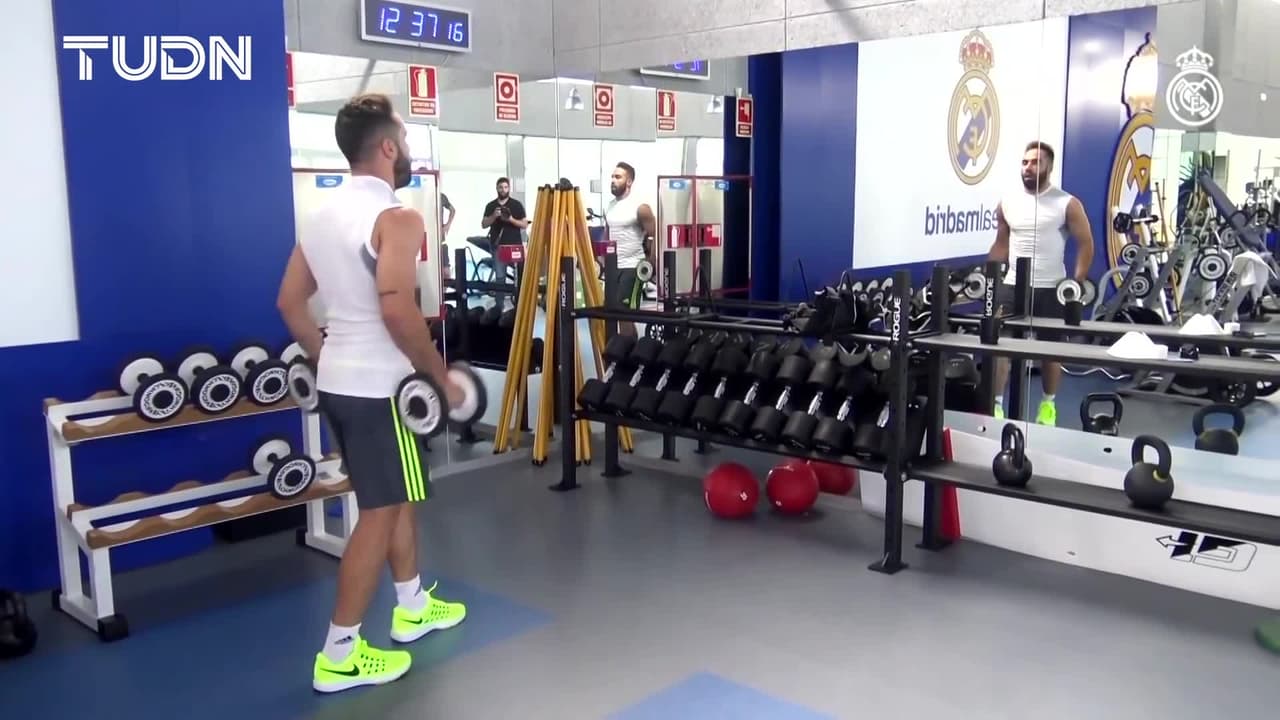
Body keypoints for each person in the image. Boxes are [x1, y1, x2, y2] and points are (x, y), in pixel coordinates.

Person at [275, 93, 468, 694]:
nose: (406, 150)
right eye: (404, 140)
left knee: (394, 493)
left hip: (341, 383)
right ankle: (340, 653)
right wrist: (439, 376)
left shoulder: (321, 217)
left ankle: (411, 606)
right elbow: (397, 308)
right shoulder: (398, 218)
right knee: (379, 512)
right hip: (382, 390)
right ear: (387, 147)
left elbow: (289, 303)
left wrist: (329, 356)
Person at [987, 141, 1095, 426]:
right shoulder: (1007, 202)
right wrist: (988, 275)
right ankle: (996, 406)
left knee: (1050, 352)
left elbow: (1086, 243)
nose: (1028, 167)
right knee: (1001, 346)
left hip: (1051, 287)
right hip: (1013, 285)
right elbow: (1001, 244)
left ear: (1049, 166)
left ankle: (1048, 405)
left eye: (1035, 162)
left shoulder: (1067, 203)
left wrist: (1076, 283)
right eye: (1025, 162)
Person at [603, 162, 657, 336]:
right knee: (614, 312)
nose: (613, 180)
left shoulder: (640, 207)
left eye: (618, 177)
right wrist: (602, 259)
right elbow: (607, 235)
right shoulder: (609, 206)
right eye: (612, 176)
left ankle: (629, 350)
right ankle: (621, 349)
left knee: (624, 313)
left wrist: (651, 264)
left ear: (629, 181)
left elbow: (656, 235)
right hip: (613, 267)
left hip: (633, 266)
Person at [482, 177, 528, 287]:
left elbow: (524, 224)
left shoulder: (517, 205)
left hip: (514, 246)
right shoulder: (490, 206)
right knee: (500, 277)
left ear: (509, 188)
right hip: (498, 246)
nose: (503, 190)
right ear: (497, 188)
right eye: (501, 187)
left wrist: (511, 219)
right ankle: (500, 298)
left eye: (506, 187)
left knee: (519, 276)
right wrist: (494, 216)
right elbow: (484, 224)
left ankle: (518, 298)